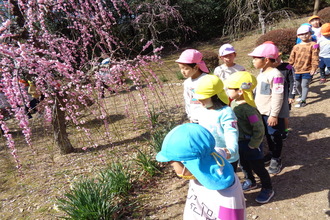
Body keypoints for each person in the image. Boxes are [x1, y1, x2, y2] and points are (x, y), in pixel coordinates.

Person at [156, 123, 246, 220]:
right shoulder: (209, 158)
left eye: (172, 165)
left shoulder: (228, 198)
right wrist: (227, 152)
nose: (173, 169)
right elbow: (219, 152)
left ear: (188, 164)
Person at [225, 71, 274, 204]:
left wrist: (254, 144)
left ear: (240, 91)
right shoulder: (234, 103)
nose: (227, 91)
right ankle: (251, 181)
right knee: (244, 165)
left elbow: (259, 128)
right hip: (239, 142)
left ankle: (267, 187)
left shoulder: (249, 110)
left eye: (229, 89)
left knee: (258, 167)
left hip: (250, 144)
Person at [248, 42, 285, 174]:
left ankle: (276, 157)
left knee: (274, 135)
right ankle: (271, 152)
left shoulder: (276, 75)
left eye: (256, 58)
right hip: (260, 111)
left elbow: (278, 95)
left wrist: (274, 114)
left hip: (270, 113)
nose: (253, 61)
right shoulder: (262, 72)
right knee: (267, 136)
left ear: (267, 60)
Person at [193, 74, 239, 171]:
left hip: (226, 156)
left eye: (203, 98)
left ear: (214, 96)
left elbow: (231, 131)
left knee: (228, 181)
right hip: (209, 155)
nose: (200, 101)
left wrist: (231, 150)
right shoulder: (201, 110)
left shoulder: (226, 112)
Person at [176, 49, 209, 123]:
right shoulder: (187, 83)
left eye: (186, 68)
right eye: (181, 68)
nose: (182, 72)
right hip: (194, 119)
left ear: (196, 67)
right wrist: (190, 116)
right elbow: (187, 100)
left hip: (208, 119)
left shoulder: (207, 79)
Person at [289, 25, 319, 106]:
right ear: (298, 36)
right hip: (296, 70)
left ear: (310, 34)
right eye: (301, 34)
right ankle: (301, 95)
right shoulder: (296, 47)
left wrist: (314, 68)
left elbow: (315, 57)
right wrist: (287, 68)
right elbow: (292, 58)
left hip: (308, 69)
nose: (304, 35)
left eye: (306, 33)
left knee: (304, 85)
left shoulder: (314, 44)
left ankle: (303, 101)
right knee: (297, 85)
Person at [273, 54, 295, 139]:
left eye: (277, 57)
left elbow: (293, 81)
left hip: (285, 95)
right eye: (274, 58)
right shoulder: (268, 69)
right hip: (274, 95)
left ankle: (285, 130)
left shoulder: (288, 66)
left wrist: (291, 95)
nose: (276, 60)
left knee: (284, 114)